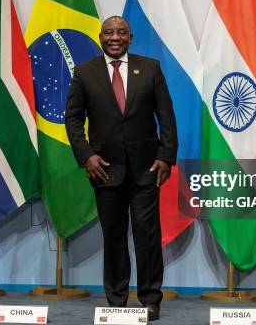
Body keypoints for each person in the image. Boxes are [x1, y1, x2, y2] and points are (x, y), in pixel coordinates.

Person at [65, 16, 177, 321]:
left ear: (131, 37)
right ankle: (116, 301)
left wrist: (166, 157)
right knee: (113, 237)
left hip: (146, 169)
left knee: (147, 237)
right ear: (100, 37)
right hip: (103, 169)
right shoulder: (85, 72)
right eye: (109, 32)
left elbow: (166, 115)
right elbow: (73, 119)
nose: (115, 37)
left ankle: (150, 299)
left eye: (122, 32)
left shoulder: (150, 67)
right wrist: (86, 156)